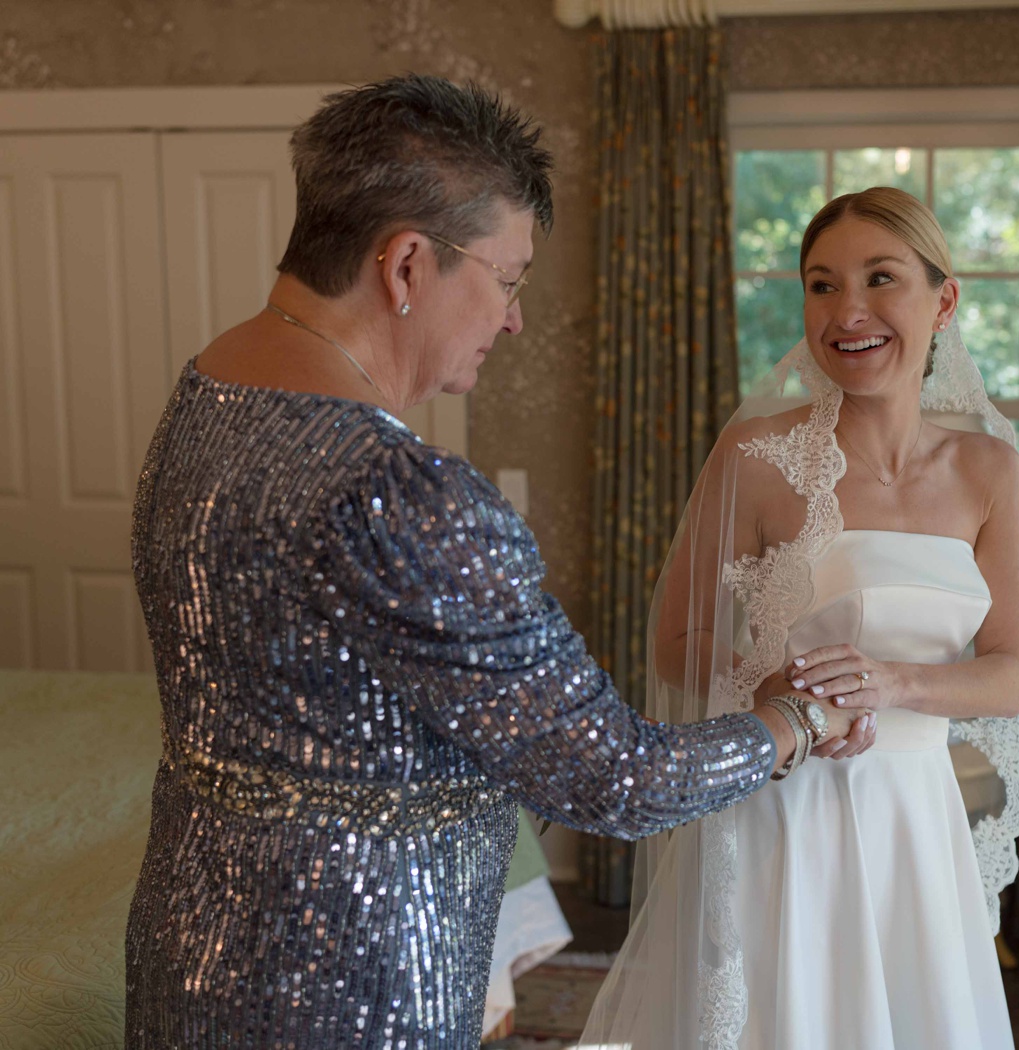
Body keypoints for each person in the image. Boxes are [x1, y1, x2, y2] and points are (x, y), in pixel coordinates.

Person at [122, 74, 873, 1049]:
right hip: (348, 986)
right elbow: (616, 779)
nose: (512, 318)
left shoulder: (206, 393)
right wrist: (793, 720)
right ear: (405, 265)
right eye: (507, 277)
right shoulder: (407, 495)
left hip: (187, 940)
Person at [580, 186, 1019, 1049]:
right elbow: (676, 642)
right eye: (822, 285)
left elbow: (1009, 675)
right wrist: (775, 686)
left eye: (880, 278)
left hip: (914, 819)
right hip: (786, 812)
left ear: (943, 301)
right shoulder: (754, 458)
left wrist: (889, 682)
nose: (847, 311)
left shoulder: (990, 471)